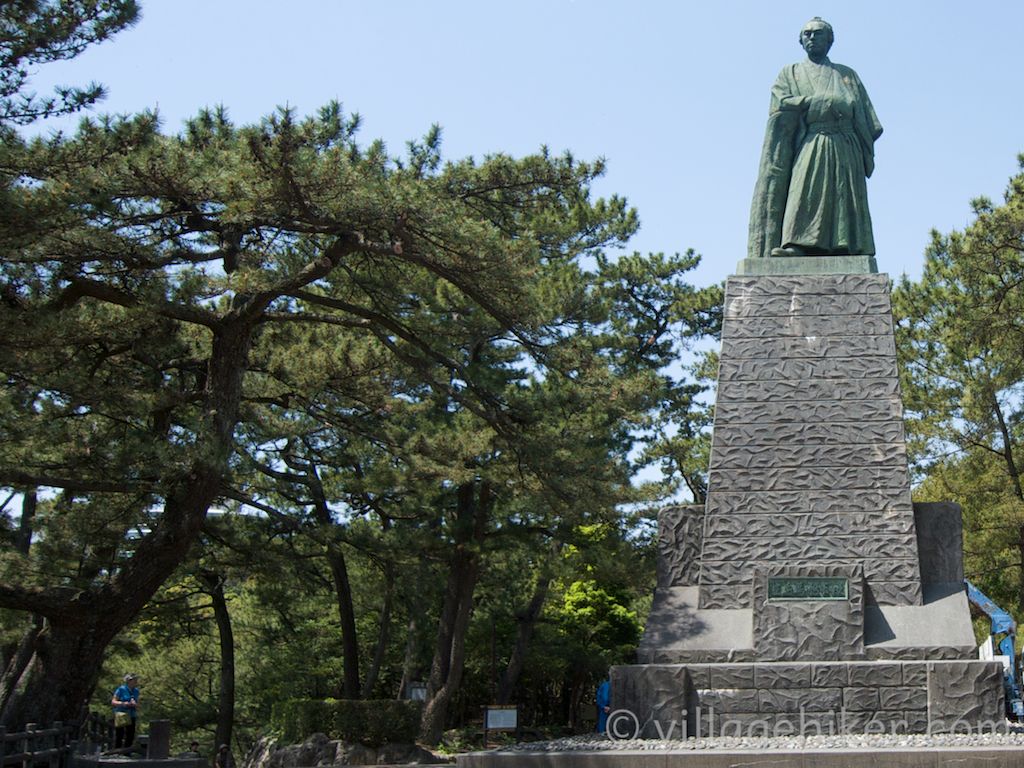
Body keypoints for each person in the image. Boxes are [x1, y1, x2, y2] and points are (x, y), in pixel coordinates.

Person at [748, 17, 882, 260]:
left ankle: (846, 245)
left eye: (818, 33)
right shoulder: (790, 73)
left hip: (844, 143)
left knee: (843, 194)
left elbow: (866, 117)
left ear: (829, 40)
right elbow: (780, 102)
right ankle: (796, 244)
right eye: (807, 34)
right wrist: (811, 102)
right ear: (800, 40)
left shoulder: (847, 75)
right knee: (803, 192)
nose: (812, 38)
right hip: (811, 140)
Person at [111, 673, 140, 748]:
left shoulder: (136, 691)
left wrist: (135, 705)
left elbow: (137, 703)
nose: (136, 681)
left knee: (130, 734)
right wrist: (123, 703)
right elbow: (113, 701)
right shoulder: (121, 689)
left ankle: (127, 752)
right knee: (119, 734)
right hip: (122, 714)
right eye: (134, 679)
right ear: (129, 681)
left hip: (132, 714)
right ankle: (117, 751)